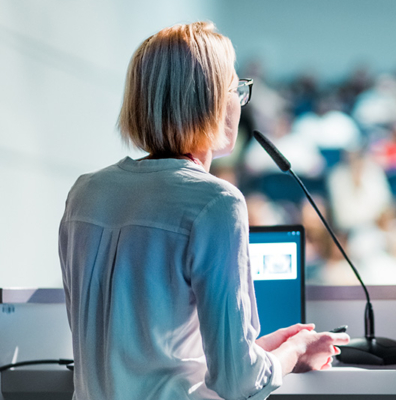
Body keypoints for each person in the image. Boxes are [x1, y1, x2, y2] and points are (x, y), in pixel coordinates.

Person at [58, 22, 349, 400]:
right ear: (209, 100)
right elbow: (238, 383)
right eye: (236, 88)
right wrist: (293, 352)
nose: (240, 101)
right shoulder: (216, 203)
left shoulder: (84, 193)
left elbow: (138, 355)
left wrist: (258, 351)